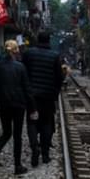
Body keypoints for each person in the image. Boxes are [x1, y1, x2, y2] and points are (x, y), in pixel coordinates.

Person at [0, 40, 35, 175]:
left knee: (7, 132)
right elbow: (27, 88)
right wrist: (32, 107)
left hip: (4, 104)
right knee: (17, 135)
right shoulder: (20, 67)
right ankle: (17, 165)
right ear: (16, 51)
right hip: (19, 104)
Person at [22, 31, 65, 167]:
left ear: (37, 40)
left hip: (32, 96)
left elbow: (24, 74)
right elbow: (59, 78)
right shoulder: (55, 56)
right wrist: (55, 93)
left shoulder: (28, 54)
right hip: (47, 96)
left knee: (32, 122)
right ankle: (45, 155)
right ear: (49, 41)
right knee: (46, 123)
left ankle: (35, 147)